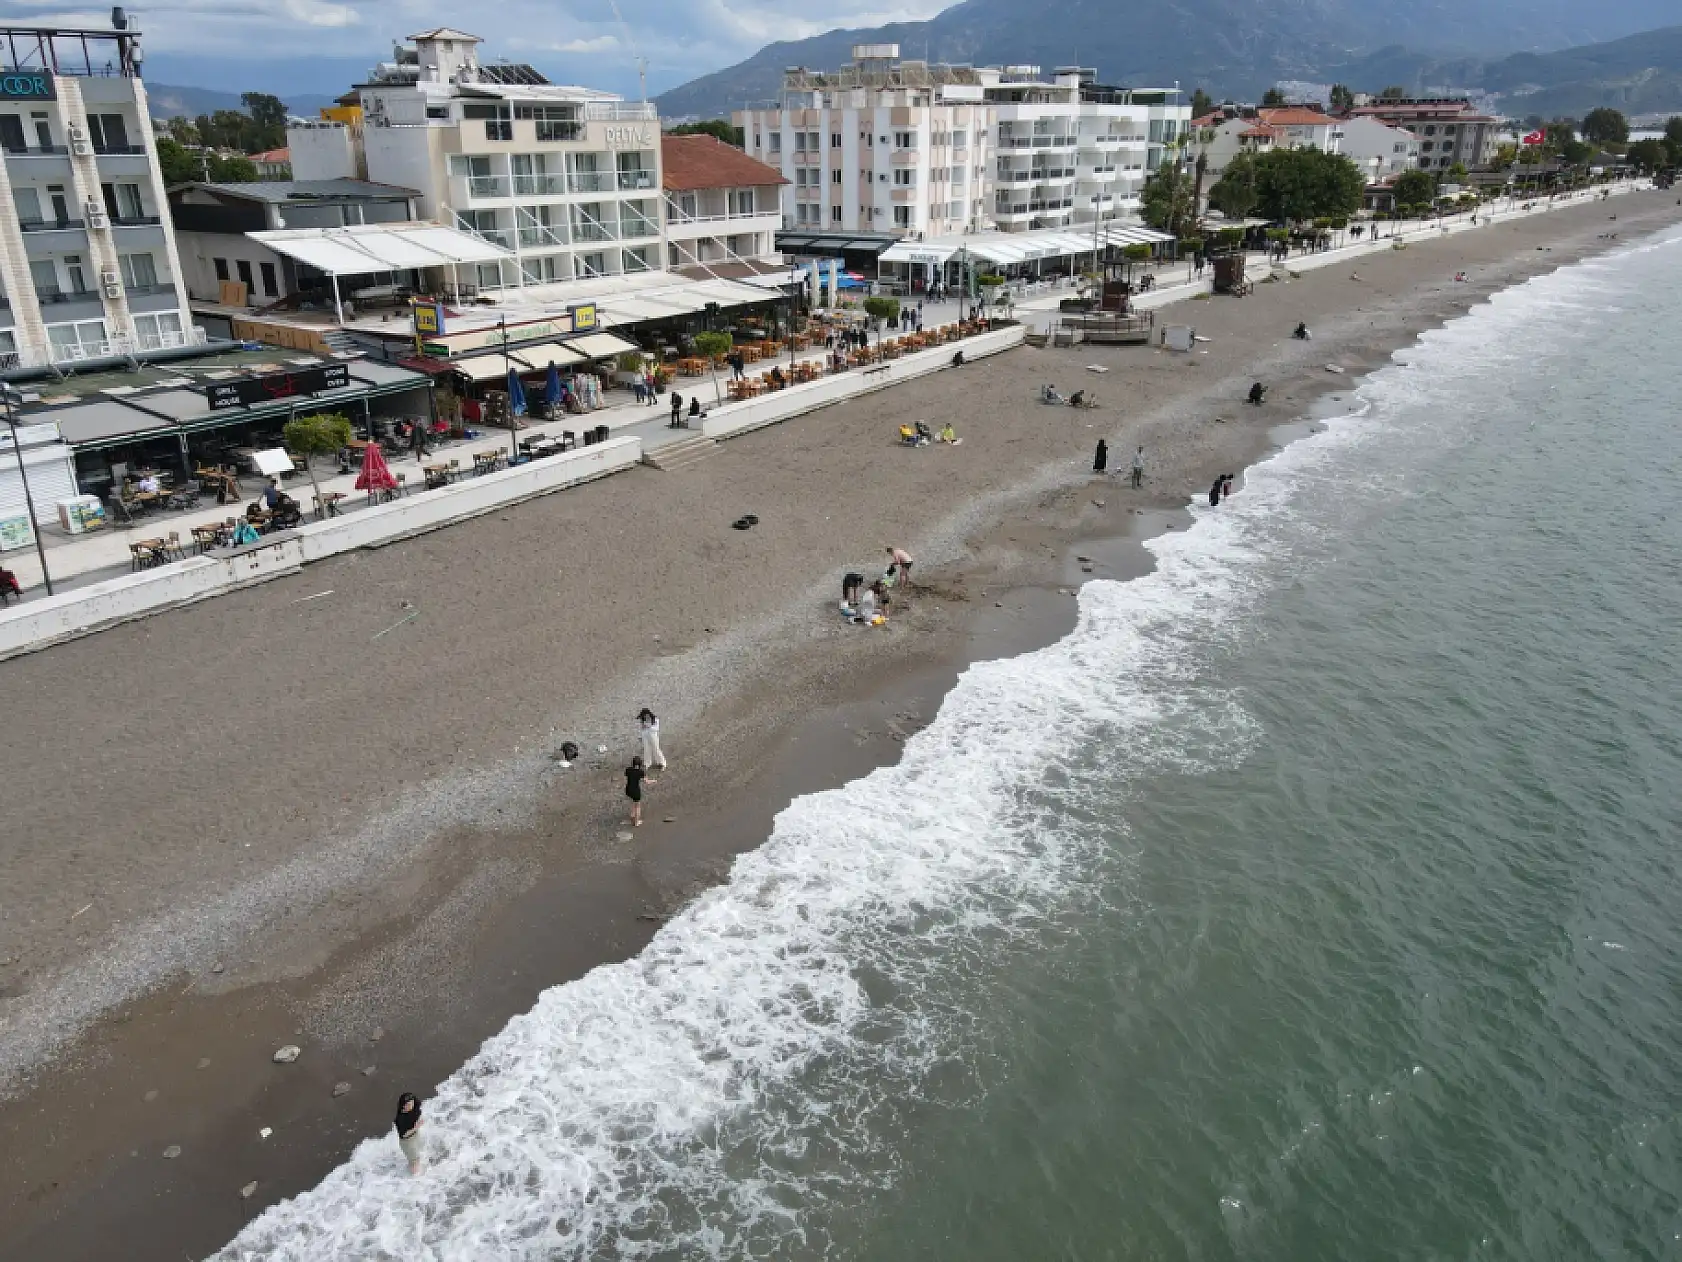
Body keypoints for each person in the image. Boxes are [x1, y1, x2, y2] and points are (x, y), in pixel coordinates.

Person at [394, 1093, 424, 1175]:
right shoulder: (400, 1119)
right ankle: (415, 1178)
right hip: (407, 1141)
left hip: (415, 1135)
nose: (411, 1106)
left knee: (418, 1153)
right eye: (408, 1104)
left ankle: (414, 1168)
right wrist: (416, 1127)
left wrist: (417, 1125)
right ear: (403, 1106)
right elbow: (403, 1135)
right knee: (414, 1160)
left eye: (412, 1103)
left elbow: (418, 1110)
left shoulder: (414, 1107)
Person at [625, 754, 653, 827]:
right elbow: (647, 782)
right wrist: (653, 781)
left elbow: (627, 776)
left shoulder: (628, 770)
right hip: (636, 791)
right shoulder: (641, 772)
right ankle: (636, 822)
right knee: (638, 806)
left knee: (633, 802)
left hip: (628, 789)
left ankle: (632, 815)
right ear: (640, 764)